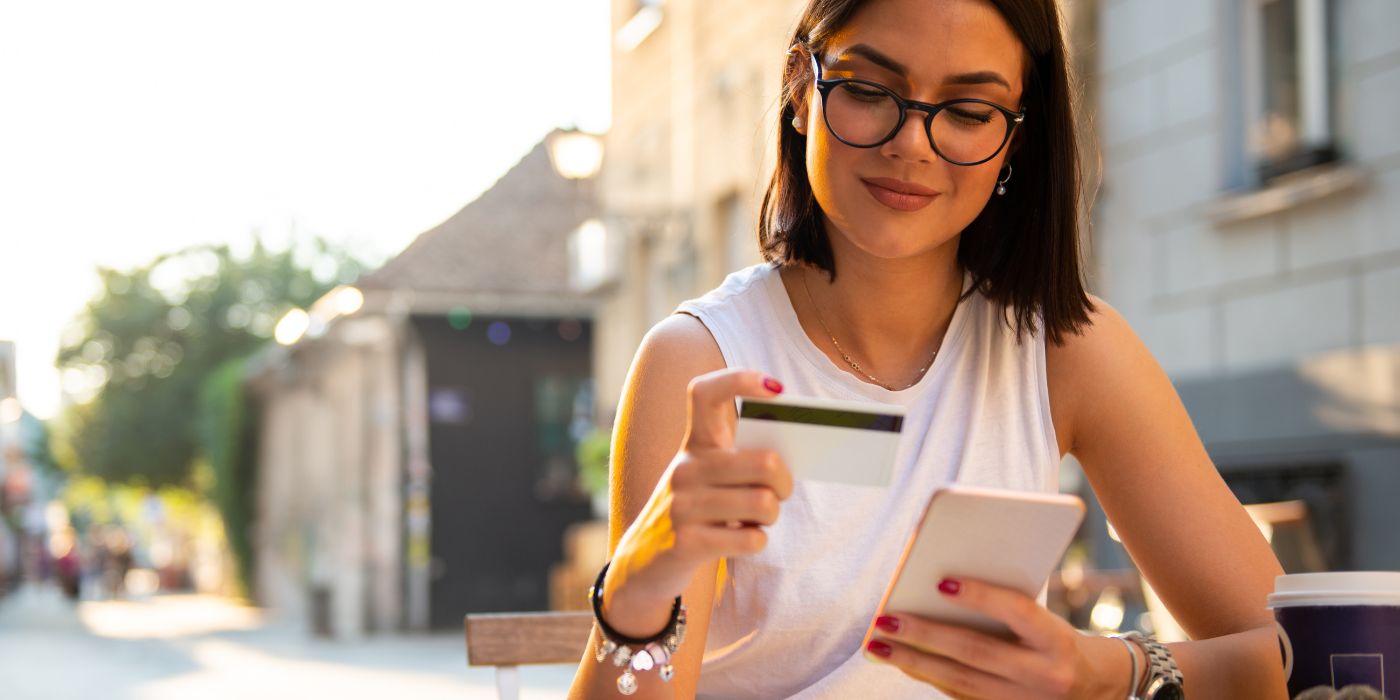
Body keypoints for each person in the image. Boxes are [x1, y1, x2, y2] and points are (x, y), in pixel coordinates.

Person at [568, 0, 1286, 697]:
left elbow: (1296, 655)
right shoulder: (699, 363)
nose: (910, 142)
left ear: (1017, 137)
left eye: (970, 111)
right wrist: (640, 583)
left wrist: (1096, 671)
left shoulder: (1067, 349)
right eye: (869, 90)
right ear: (798, 91)